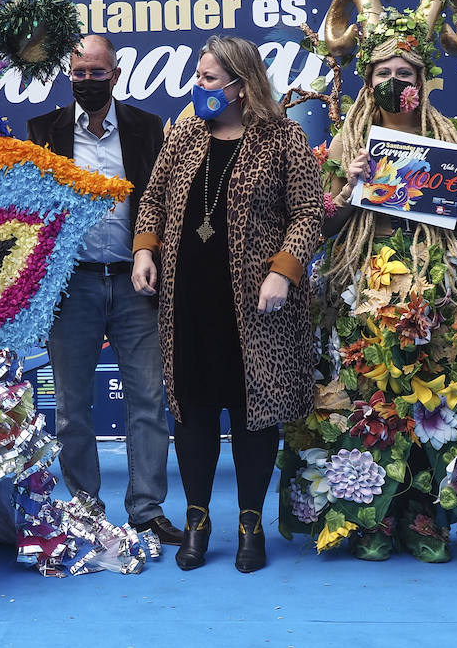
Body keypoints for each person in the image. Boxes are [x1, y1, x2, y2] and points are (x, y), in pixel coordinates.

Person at [278, 0, 457, 564]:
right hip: (366, 289)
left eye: (407, 73)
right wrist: (354, 185)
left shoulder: (448, 137)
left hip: (438, 293)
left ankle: (425, 517)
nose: (398, 83)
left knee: (434, 402)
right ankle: (371, 518)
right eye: (385, 71)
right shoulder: (348, 140)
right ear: (367, 76)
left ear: (423, 79)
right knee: (371, 399)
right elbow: (326, 227)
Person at [132, 35, 324, 573]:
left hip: (257, 306)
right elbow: (152, 197)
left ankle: (250, 523)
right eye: (198, 75)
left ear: (241, 87)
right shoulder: (184, 133)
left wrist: (282, 272)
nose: (198, 86)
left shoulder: (284, 139)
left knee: (252, 414)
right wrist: (145, 249)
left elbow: (310, 213)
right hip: (189, 300)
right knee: (192, 412)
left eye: (209, 78)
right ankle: (196, 520)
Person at [26, 34, 180, 546]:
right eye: (79, 72)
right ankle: (86, 506)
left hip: (139, 283)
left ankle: (146, 507)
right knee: (71, 407)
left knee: (148, 401)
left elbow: (161, 202)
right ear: (68, 75)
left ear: (116, 74)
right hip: (73, 287)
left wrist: (152, 255)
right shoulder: (41, 132)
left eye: (97, 72)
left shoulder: (146, 129)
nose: (88, 81)